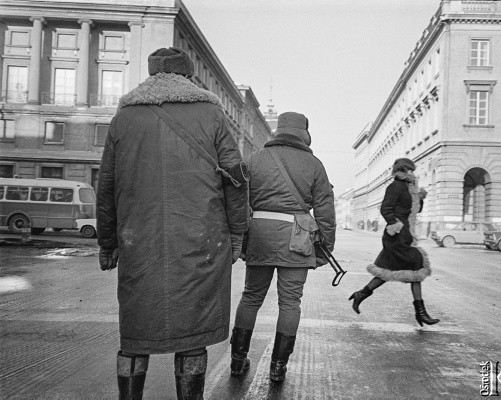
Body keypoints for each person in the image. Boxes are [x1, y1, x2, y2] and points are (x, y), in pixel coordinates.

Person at [96, 47, 248, 400]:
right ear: (189, 76)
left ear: (150, 75)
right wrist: (238, 231)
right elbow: (236, 177)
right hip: (200, 238)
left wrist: (108, 242)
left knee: (136, 330)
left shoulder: (125, 118)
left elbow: (106, 185)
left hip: (140, 240)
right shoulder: (210, 113)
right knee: (192, 328)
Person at [229, 111, 335, 383]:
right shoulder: (314, 164)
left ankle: (238, 361)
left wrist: (241, 239)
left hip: (260, 234)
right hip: (297, 237)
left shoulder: (255, 159)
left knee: (251, 296)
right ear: (305, 134)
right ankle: (278, 367)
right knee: (290, 302)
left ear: (278, 132)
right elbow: (325, 209)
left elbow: (239, 200)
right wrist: (325, 247)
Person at [348, 158, 439, 327]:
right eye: (410, 170)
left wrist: (421, 198)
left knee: (388, 271)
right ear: (402, 170)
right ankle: (421, 313)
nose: (413, 173)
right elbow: (385, 208)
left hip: (406, 235)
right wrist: (394, 224)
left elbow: (415, 210)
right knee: (416, 265)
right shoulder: (395, 187)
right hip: (395, 235)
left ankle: (361, 294)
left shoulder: (409, 188)